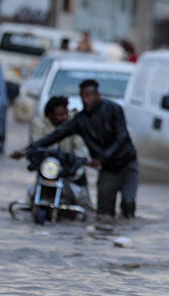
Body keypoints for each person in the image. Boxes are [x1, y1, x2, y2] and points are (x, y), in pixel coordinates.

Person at [11, 79, 139, 219]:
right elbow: (55, 136)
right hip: (107, 169)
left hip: (127, 164)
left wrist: (99, 158)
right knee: (104, 216)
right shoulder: (80, 120)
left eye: (89, 96)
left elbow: (121, 138)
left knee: (128, 202)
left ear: (98, 95)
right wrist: (26, 150)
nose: (86, 100)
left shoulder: (114, 110)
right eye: (83, 97)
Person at [29, 95, 91, 206]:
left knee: (84, 200)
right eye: (60, 115)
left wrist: (79, 159)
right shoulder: (39, 124)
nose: (64, 117)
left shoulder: (74, 123)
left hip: (70, 166)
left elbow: (80, 146)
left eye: (65, 114)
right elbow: (35, 144)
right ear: (50, 115)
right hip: (48, 166)